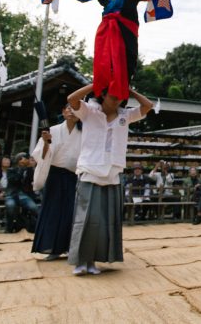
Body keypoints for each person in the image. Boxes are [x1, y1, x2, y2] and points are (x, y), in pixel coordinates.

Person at [67, 83, 153, 276]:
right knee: (87, 219)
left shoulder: (125, 114)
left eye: (121, 97)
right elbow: (72, 99)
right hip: (90, 169)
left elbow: (148, 106)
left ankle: (94, 261)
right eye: (113, 95)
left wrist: (129, 90)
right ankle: (80, 261)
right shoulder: (89, 110)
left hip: (113, 173)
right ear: (103, 95)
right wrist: (94, 84)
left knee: (104, 221)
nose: (117, 99)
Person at [31, 104, 82, 260]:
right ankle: (51, 248)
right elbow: (40, 155)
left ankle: (67, 248)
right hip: (54, 175)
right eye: (68, 108)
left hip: (73, 176)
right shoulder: (53, 130)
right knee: (52, 211)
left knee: (70, 213)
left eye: (75, 109)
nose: (71, 111)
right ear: (63, 111)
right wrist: (46, 142)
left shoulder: (84, 133)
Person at [4, 152, 39, 233]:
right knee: (10, 206)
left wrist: (30, 168)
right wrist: (22, 169)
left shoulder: (29, 170)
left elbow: (32, 181)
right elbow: (14, 180)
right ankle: (8, 228)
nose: (27, 160)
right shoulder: (11, 170)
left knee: (34, 208)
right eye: (25, 158)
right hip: (11, 194)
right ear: (19, 160)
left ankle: (36, 227)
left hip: (23, 195)